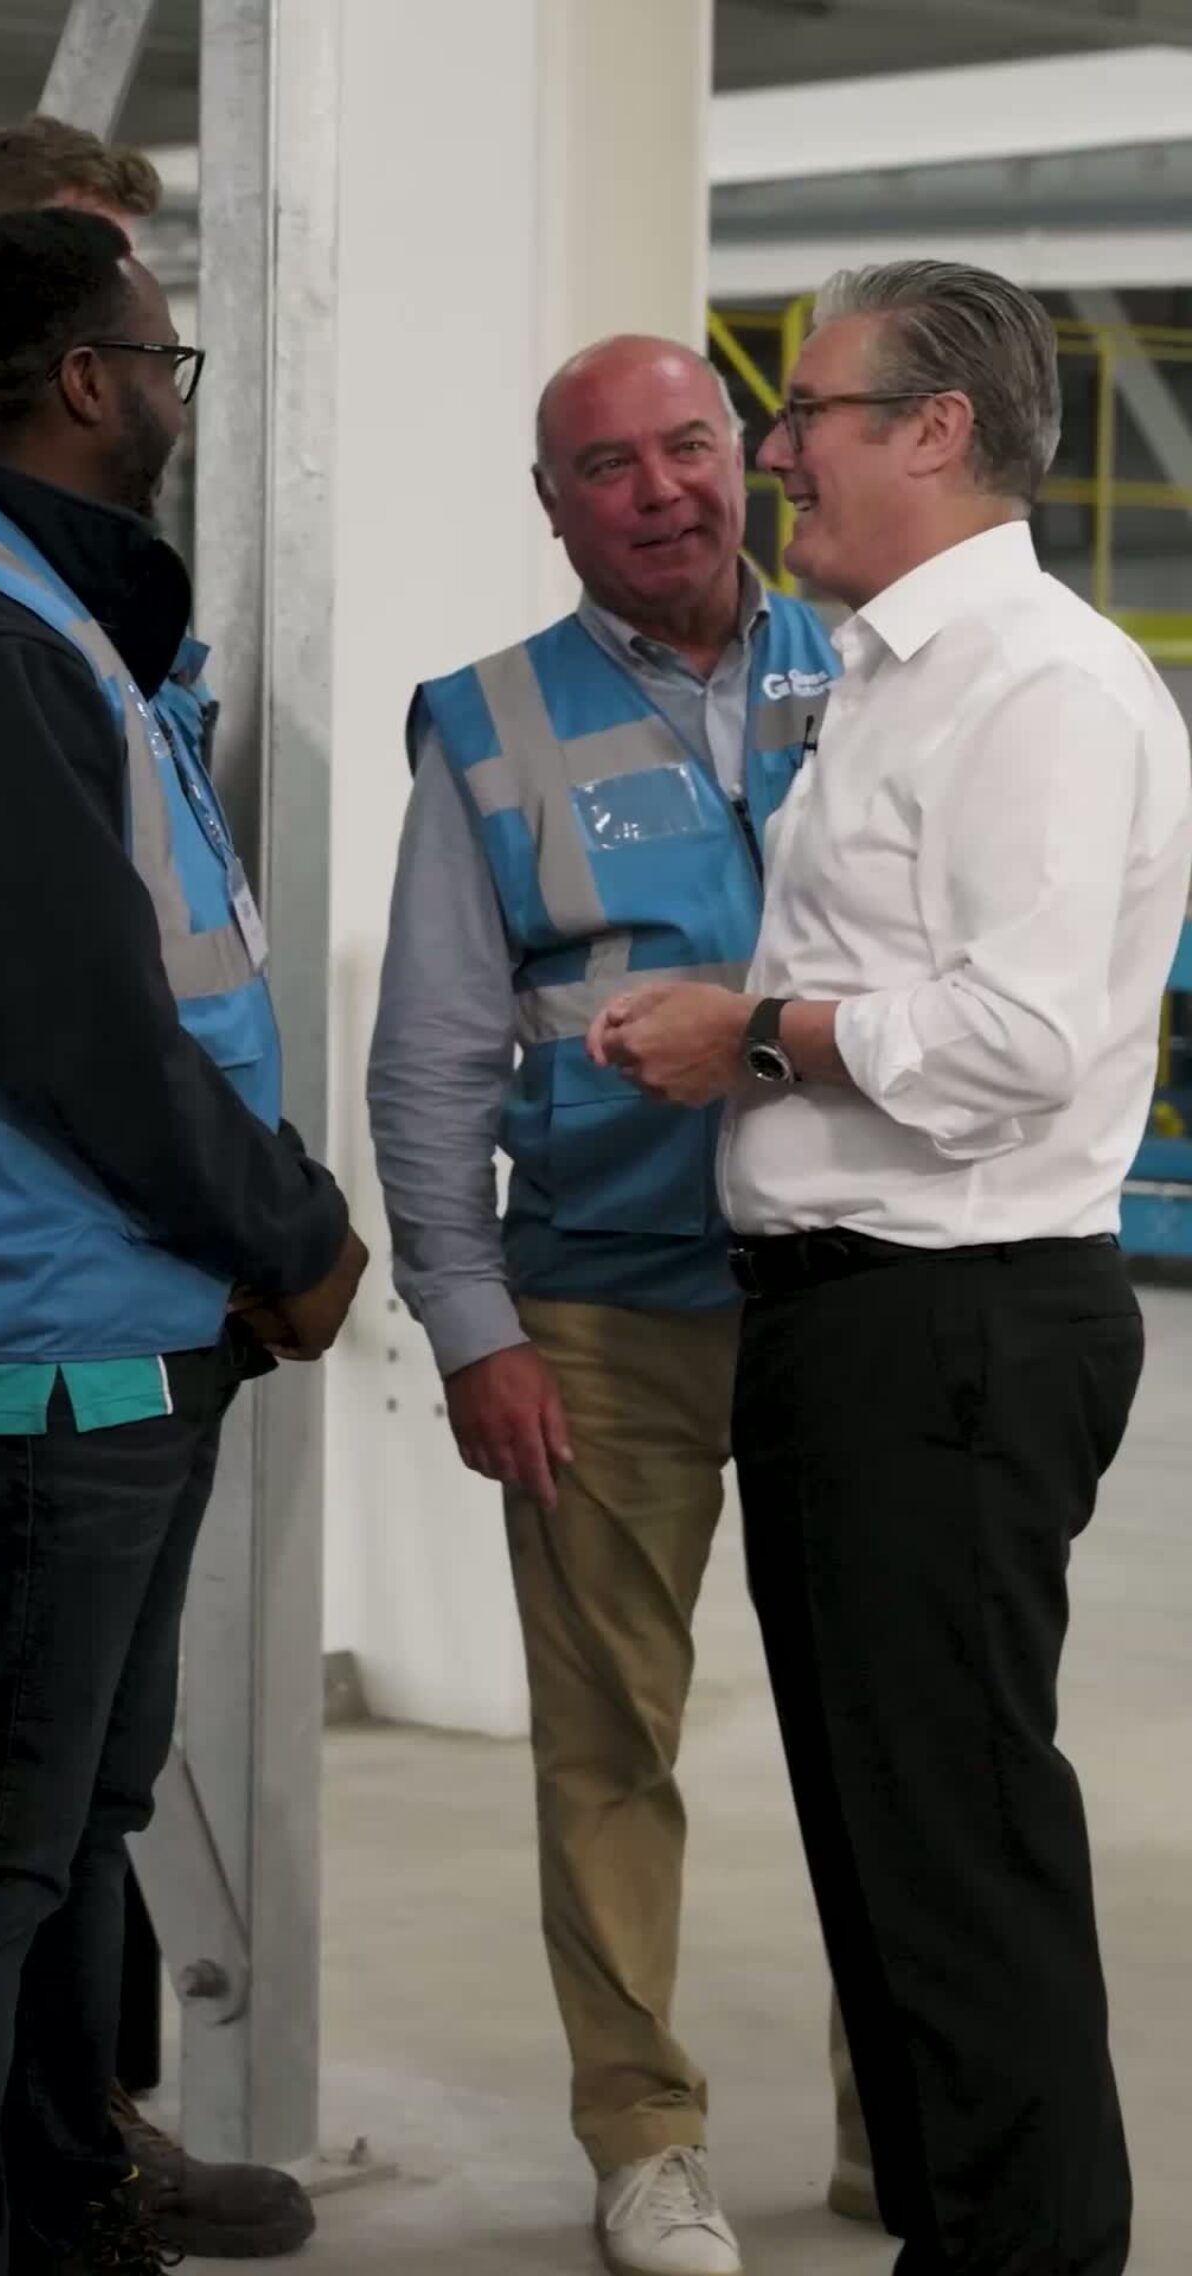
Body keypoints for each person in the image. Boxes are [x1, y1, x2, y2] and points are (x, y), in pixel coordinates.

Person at [588, 261, 1192, 2276]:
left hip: (948, 1321)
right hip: (855, 1321)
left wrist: (747, 1036)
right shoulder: (897, 673)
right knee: (885, 1848)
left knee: (953, 1855)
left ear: (934, 429)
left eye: (810, 411)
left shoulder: (1034, 683)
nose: (774, 453)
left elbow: (1010, 1040)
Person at [369, 333, 872, 2276]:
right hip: (600, 1304)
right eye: (607, 466)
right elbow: (422, 1063)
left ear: (742, 456)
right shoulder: (488, 724)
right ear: (551, 502)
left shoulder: (877, 667)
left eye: (686, 446)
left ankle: (896, 2113)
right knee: (607, 1744)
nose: (660, 490)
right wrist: (469, 1315)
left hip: (857, 1283)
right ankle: (642, 2131)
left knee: (883, 1733)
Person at [0, 208, 367, 2276]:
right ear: (89, 383)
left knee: (74, 1822)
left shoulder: (46, 615)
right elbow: (78, 1020)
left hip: (115, 1326)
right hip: (25, 1354)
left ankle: (62, 2203)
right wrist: (289, 1225)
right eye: (164, 356)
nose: (181, 390)